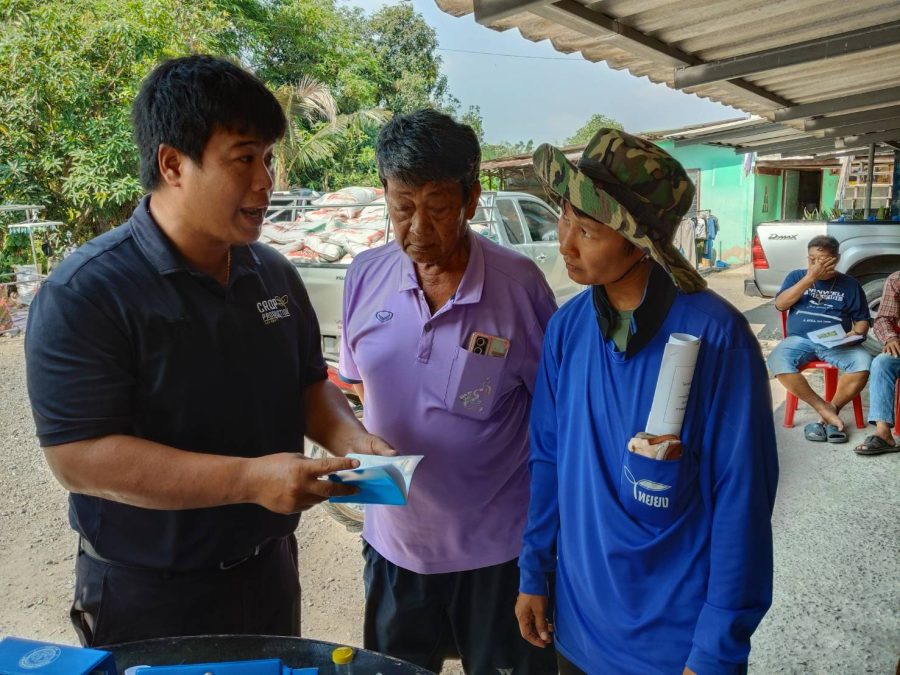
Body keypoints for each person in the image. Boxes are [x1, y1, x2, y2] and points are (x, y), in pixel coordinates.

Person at [24, 55, 392, 647]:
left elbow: (307, 384)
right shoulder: (87, 292)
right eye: (244, 159)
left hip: (268, 571)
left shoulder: (273, 275)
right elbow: (79, 457)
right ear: (173, 163)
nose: (266, 180)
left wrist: (353, 441)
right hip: (149, 594)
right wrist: (250, 481)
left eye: (267, 159)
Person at [515, 129, 779, 674]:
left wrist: (714, 651)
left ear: (640, 243)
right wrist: (534, 571)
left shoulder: (717, 338)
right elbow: (548, 458)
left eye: (586, 231)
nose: (565, 243)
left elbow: (742, 502)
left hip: (672, 646)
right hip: (579, 628)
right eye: (565, 217)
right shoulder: (567, 330)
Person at [338, 109, 559, 674]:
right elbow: (354, 389)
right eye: (401, 207)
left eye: (436, 208)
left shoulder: (519, 287)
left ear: (471, 199)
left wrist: (545, 555)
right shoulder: (364, 275)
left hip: (497, 554)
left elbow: (553, 420)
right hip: (393, 546)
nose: (416, 229)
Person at [767, 235, 872, 444]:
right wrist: (810, 278)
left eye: (822, 260)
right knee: (778, 360)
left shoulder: (850, 284)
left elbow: (862, 321)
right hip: (800, 340)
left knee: (863, 363)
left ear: (836, 259)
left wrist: (854, 334)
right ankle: (823, 408)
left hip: (836, 343)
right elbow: (780, 305)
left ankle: (830, 412)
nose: (815, 265)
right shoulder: (797, 276)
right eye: (811, 259)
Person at [854, 271, 900, 455]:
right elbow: (883, 319)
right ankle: (883, 434)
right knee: (881, 363)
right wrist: (890, 338)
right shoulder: (897, 280)